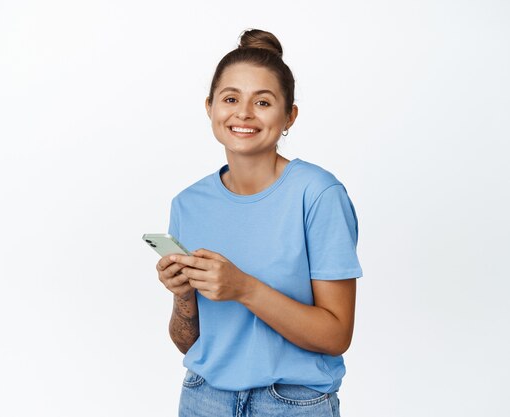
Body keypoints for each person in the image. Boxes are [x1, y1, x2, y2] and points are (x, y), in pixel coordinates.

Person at [155, 28, 363, 417]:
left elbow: (336, 335)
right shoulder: (187, 204)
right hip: (204, 398)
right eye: (230, 98)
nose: (244, 113)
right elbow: (191, 343)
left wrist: (244, 288)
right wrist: (184, 295)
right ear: (210, 108)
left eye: (263, 102)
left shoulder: (317, 194)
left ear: (289, 116)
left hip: (293, 403)